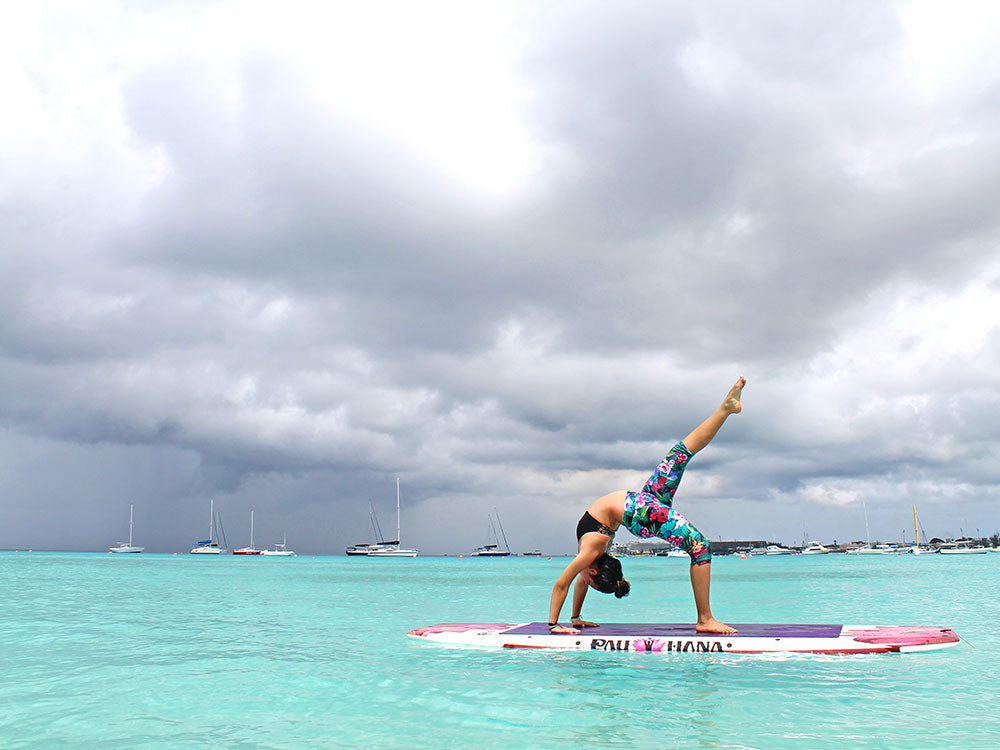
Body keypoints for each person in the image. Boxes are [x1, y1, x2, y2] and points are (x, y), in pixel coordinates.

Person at [547, 376, 746, 635]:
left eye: (589, 581)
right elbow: (580, 581)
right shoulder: (590, 557)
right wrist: (573, 618)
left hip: (642, 508)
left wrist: (557, 624)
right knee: (700, 547)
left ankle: (725, 409)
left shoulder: (589, 556)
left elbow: (563, 584)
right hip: (640, 510)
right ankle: (705, 618)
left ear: (593, 570)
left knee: (680, 454)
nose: (584, 582)